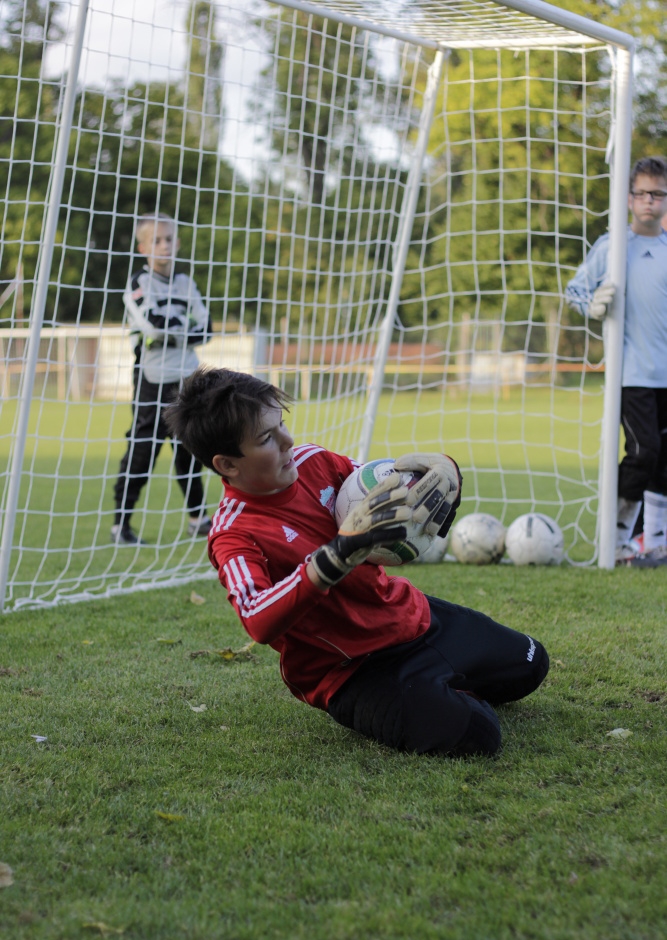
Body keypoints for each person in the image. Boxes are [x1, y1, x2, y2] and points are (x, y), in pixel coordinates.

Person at [165, 367, 549, 758]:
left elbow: (392, 486)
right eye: (266, 438)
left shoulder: (316, 461)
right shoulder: (233, 534)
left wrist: (446, 470)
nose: (288, 440)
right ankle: (431, 694)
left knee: (532, 663)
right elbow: (256, 616)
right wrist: (335, 556)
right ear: (228, 464)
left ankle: (439, 683)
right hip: (352, 670)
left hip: (410, 618)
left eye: (282, 424)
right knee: (479, 736)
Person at [565, 155, 667, 568]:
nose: (649, 201)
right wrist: (592, 305)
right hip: (634, 374)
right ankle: (617, 540)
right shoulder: (612, 246)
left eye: (657, 194)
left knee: (664, 458)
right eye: (641, 193)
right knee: (644, 452)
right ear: (628, 198)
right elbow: (575, 290)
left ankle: (656, 541)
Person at [111, 213, 214, 544]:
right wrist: (181, 328)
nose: (164, 245)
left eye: (169, 239)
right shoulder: (138, 283)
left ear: (178, 243)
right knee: (143, 451)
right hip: (153, 379)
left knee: (191, 448)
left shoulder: (186, 284)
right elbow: (153, 324)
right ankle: (121, 525)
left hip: (188, 377)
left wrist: (174, 332)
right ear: (143, 247)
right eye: (156, 240)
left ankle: (199, 519)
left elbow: (206, 328)